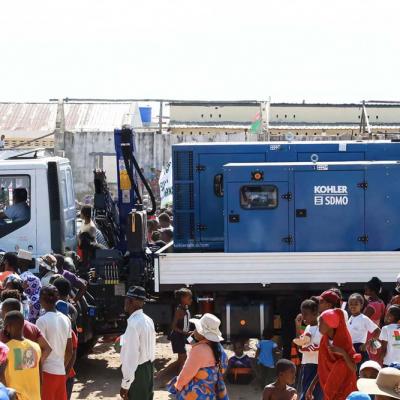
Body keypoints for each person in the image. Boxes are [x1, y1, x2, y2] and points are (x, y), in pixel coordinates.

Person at [167, 313, 229, 400]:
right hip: (211, 393)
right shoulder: (217, 347)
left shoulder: (198, 350)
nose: (194, 330)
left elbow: (186, 374)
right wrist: (192, 338)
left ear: (202, 333)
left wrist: (178, 386)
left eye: (196, 328)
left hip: (197, 395)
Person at [306, 309, 360, 400]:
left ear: (330, 324)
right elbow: (323, 367)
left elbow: (354, 368)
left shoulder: (344, 341)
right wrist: (311, 386)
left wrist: (343, 353)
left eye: (321, 322)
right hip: (330, 390)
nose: (318, 324)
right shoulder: (324, 341)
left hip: (345, 389)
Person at [36, 285, 73, 400]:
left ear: (41, 300)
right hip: (60, 373)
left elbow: (39, 350)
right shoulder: (66, 319)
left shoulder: (41, 321)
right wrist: (62, 367)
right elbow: (70, 351)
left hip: (46, 373)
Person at [120, 286, 156, 400]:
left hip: (138, 373)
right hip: (149, 369)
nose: (125, 302)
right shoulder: (148, 319)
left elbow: (131, 357)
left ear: (131, 301)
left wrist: (125, 384)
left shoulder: (133, 324)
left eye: (127, 299)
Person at [3, 310, 41, 400]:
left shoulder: (5, 349)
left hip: (15, 397)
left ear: (8, 327)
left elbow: (1, 376)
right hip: (35, 397)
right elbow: (38, 374)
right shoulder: (36, 347)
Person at [0, 298, 52, 364]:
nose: (0, 312)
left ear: (7, 312)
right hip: (29, 372)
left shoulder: (6, 330)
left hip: (10, 373)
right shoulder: (33, 327)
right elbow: (47, 349)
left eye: (2, 310)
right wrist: (37, 366)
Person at [294, 299, 322, 400]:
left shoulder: (321, 328)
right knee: (305, 393)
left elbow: (324, 347)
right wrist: (297, 326)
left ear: (315, 313)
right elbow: (300, 345)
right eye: (302, 314)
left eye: (306, 314)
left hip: (317, 365)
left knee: (314, 394)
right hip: (306, 364)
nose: (303, 317)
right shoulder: (308, 327)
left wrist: (313, 348)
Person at [348, 293, 381, 365]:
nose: (353, 306)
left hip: (359, 349)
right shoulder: (350, 319)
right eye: (351, 304)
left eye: (356, 304)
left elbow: (378, 331)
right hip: (350, 349)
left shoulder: (364, 318)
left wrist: (367, 344)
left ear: (361, 305)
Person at [169, 288, 192, 372]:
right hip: (177, 337)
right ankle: (180, 378)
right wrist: (184, 332)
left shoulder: (186, 308)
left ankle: (179, 376)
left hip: (183, 335)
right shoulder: (179, 310)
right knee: (183, 358)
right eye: (189, 298)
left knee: (184, 357)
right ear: (182, 299)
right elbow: (173, 327)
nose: (191, 300)